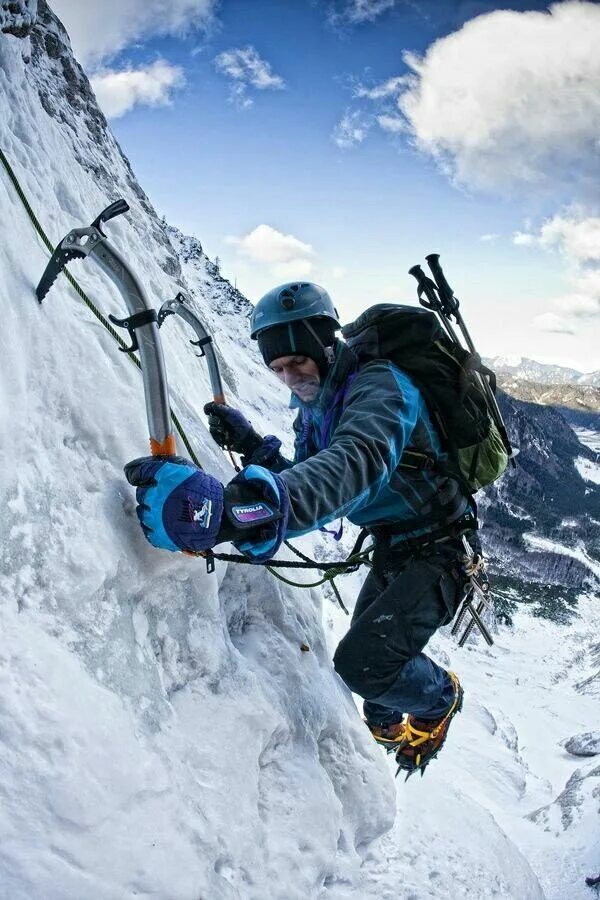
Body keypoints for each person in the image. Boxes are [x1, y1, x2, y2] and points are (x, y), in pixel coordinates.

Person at [125, 281, 478, 777]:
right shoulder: (319, 403)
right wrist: (254, 448)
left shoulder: (383, 387)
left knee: (364, 665)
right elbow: (312, 468)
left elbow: (356, 462)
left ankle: (441, 697)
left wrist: (237, 512)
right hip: (395, 544)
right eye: (278, 369)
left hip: (439, 549)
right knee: (372, 676)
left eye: (297, 362)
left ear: (325, 345)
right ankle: (388, 723)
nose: (289, 377)